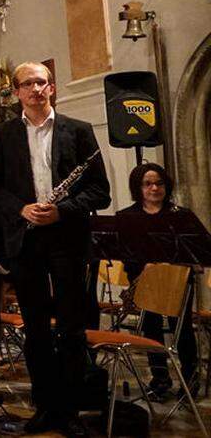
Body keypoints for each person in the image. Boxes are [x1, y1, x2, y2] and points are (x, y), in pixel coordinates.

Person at [0, 62, 110, 437]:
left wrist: (61, 211)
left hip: (66, 238)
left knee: (71, 328)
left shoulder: (79, 131)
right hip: (25, 240)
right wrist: (21, 208)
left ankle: (68, 410)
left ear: (51, 88)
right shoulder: (4, 135)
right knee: (35, 329)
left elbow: (100, 191)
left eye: (42, 82)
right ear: (17, 92)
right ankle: (44, 406)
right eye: (28, 84)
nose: (36, 89)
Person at [115, 163, 198, 398]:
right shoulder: (127, 217)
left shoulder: (181, 216)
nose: (154, 188)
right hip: (145, 280)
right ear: (138, 187)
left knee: (182, 330)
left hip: (177, 280)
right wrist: (146, 267)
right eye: (148, 183)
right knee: (150, 327)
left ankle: (190, 379)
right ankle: (160, 378)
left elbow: (196, 249)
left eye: (159, 183)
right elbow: (126, 255)